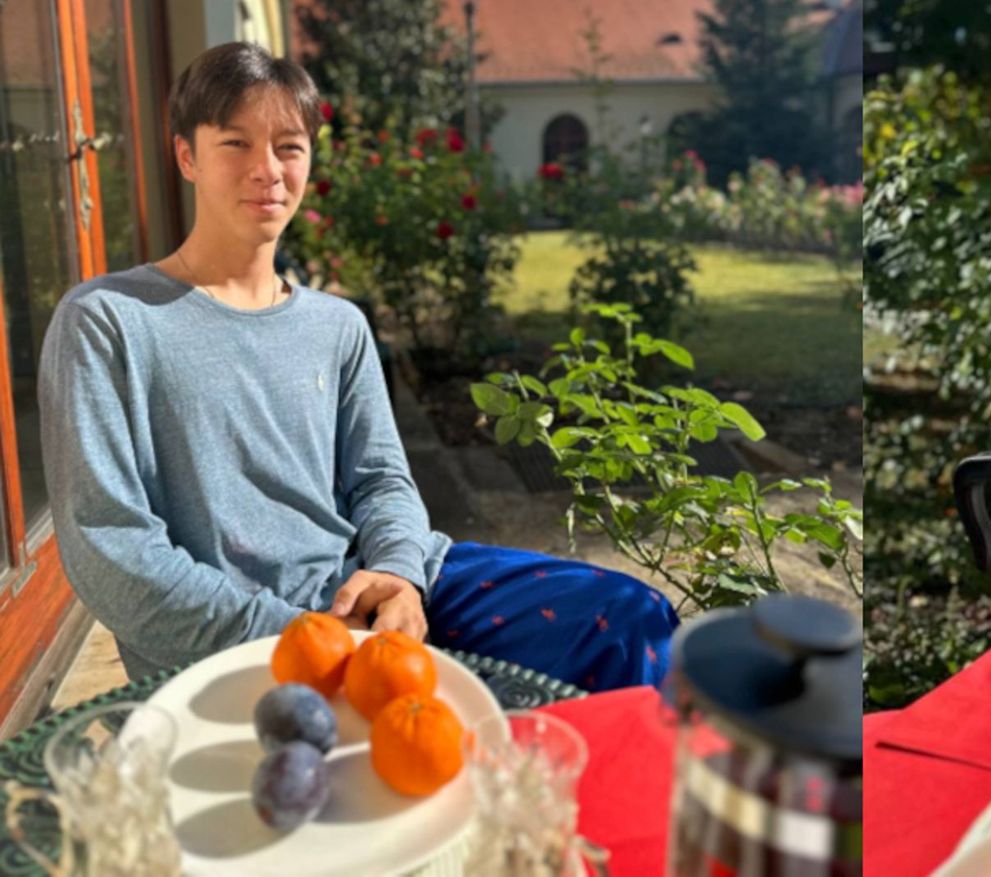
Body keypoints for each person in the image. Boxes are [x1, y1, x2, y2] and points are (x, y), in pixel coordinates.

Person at [40, 42, 678, 693]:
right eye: (236, 143)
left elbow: (381, 479)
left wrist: (400, 574)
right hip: (245, 643)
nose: (268, 170)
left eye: (289, 146)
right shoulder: (109, 320)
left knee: (632, 619)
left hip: (385, 588)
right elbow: (110, 547)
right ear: (186, 155)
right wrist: (309, 635)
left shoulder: (338, 326)